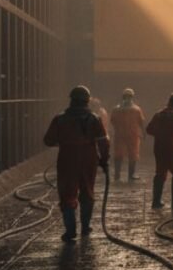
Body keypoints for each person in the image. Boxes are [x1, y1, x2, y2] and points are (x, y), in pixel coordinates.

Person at [44, 86, 110, 242]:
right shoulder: (94, 118)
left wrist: (64, 141)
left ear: (71, 100)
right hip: (88, 158)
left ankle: (70, 230)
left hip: (67, 158)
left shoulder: (59, 118)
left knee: (67, 194)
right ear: (87, 101)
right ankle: (85, 227)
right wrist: (104, 160)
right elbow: (103, 142)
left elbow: (48, 140)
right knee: (87, 192)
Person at [110, 88, 146, 182]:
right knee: (132, 154)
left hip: (121, 134)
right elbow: (141, 122)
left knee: (120, 154)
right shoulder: (137, 109)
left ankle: (117, 175)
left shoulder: (116, 109)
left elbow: (112, 121)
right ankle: (130, 175)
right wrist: (143, 132)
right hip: (132, 135)